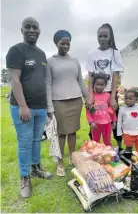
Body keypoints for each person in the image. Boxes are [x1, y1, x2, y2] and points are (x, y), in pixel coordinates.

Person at [6, 17, 52, 199]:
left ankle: (36, 168)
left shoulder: (41, 54)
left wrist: (47, 107)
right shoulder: (16, 50)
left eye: (35, 27)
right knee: (25, 142)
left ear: (39, 31)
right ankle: (24, 178)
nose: (31, 30)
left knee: (35, 140)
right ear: (22, 30)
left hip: (40, 108)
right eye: (28, 27)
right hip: (22, 107)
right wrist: (23, 106)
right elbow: (15, 80)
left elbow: (43, 81)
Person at [46, 30, 88, 177]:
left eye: (68, 43)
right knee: (61, 133)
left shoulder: (75, 61)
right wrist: (49, 106)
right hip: (59, 102)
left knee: (73, 131)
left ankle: (72, 156)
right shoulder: (50, 61)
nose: (65, 46)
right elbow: (48, 84)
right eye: (62, 43)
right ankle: (59, 162)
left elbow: (80, 82)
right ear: (56, 43)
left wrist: (87, 98)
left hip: (76, 101)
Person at [86, 23, 124, 151]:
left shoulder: (115, 54)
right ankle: (94, 149)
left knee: (114, 122)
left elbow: (115, 76)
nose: (102, 38)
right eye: (99, 36)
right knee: (94, 122)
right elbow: (90, 76)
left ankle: (118, 150)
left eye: (105, 36)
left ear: (110, 37)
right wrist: (90, 95)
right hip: (95, 94)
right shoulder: (91, 54)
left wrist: (112, 97)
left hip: (109, 93)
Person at [86, 73, 116, 146]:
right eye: (97, 84)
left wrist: (114, 121)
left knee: (108, 142)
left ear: (105, 85)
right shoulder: (91, 97)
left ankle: (108, 155)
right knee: (95, 143)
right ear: (94, 84)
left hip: (107, 124)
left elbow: (111, 109)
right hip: (95, 124)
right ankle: (97, 156)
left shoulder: (108, 96)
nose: (99, 87)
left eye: (102, 85)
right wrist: (91, 122)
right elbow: (88, 111)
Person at [117, 89, 138, 156]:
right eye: (126, 98)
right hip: (127, 133)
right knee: (128, 148)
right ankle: (129, 158)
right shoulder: (122, 109)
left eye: (130, 99)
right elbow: (119, 121)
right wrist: (119, 132)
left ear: (136, 100)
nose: (127, 100)